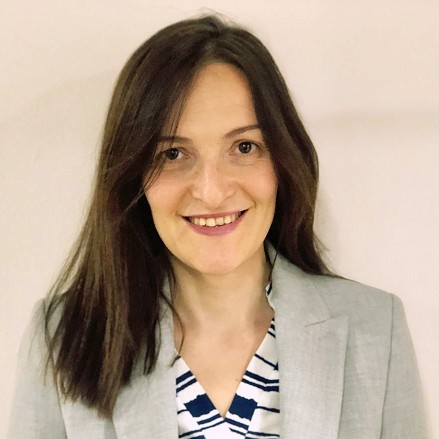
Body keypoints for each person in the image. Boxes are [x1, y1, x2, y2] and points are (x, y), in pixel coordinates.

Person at [8, 14, 427, 439]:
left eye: (244, 147)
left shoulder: (377, 330)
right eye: (173, 154)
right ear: (134, 176)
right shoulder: (61, 341)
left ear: (283, 160)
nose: (211, 192)